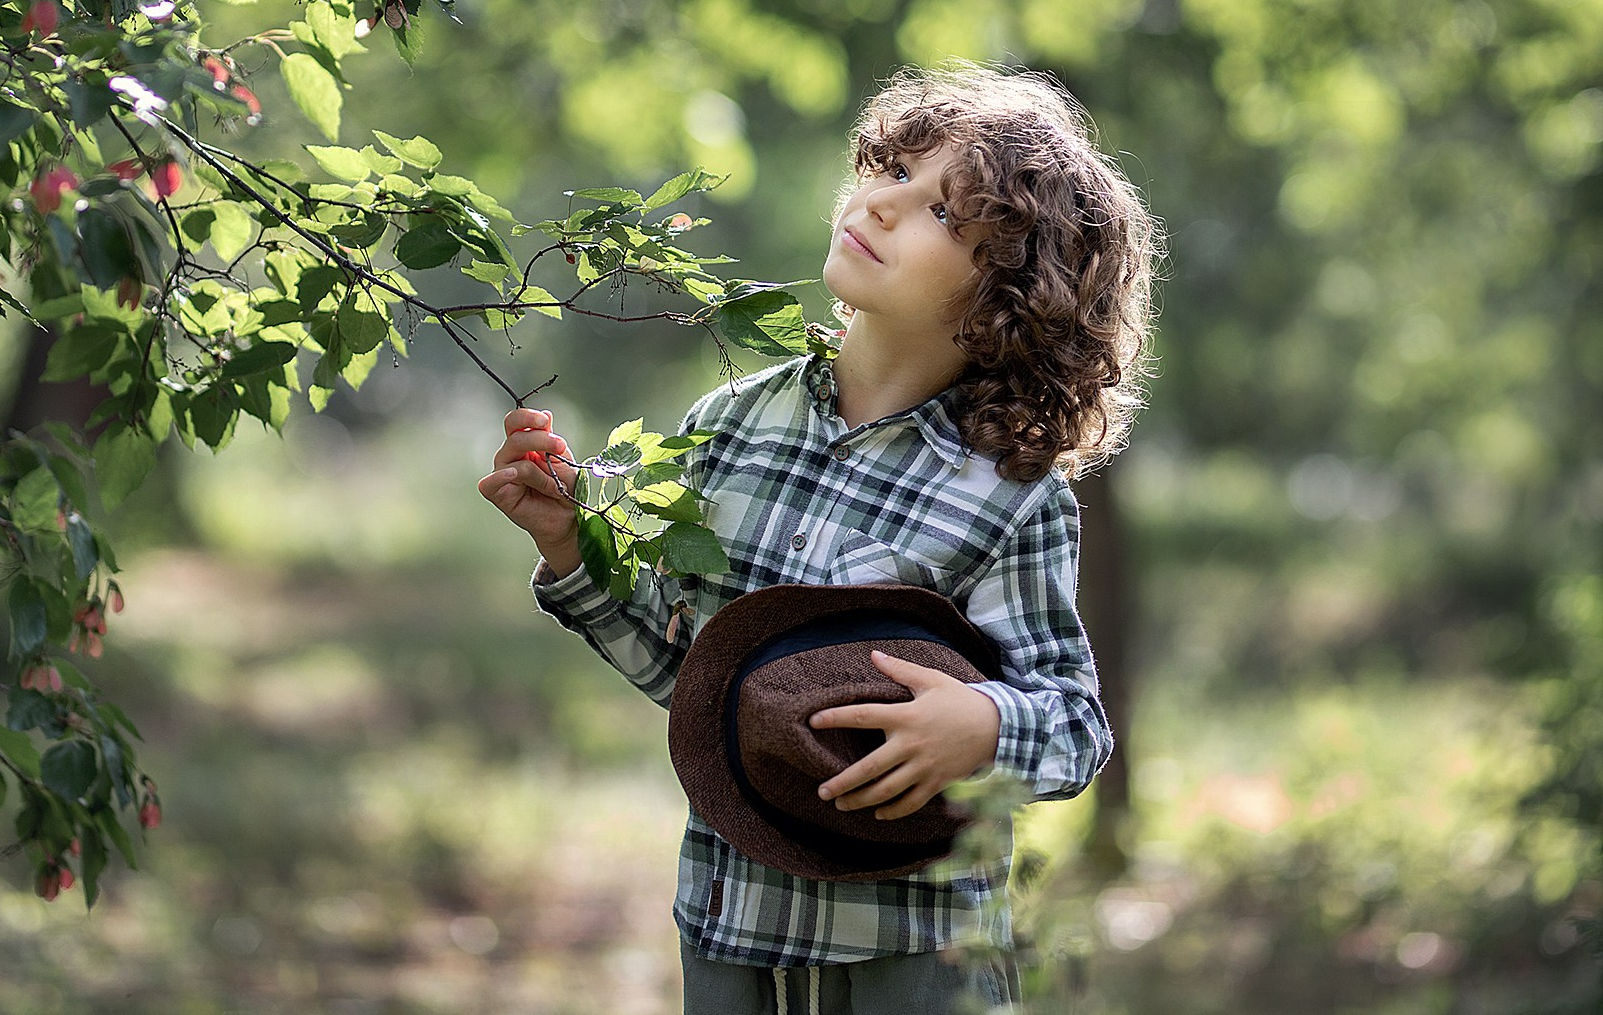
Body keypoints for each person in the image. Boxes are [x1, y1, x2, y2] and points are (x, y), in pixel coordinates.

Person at [478, 62, 1160, 1014]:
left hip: (912, 955)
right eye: (890, 172)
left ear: (1009, 296)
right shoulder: (730, 425)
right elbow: (698, 680)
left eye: (940, 214)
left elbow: (1077, 725)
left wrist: (985, 725)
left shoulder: (1009, 496)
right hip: (730, 929)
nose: (881, 206)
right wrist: (569, 546)